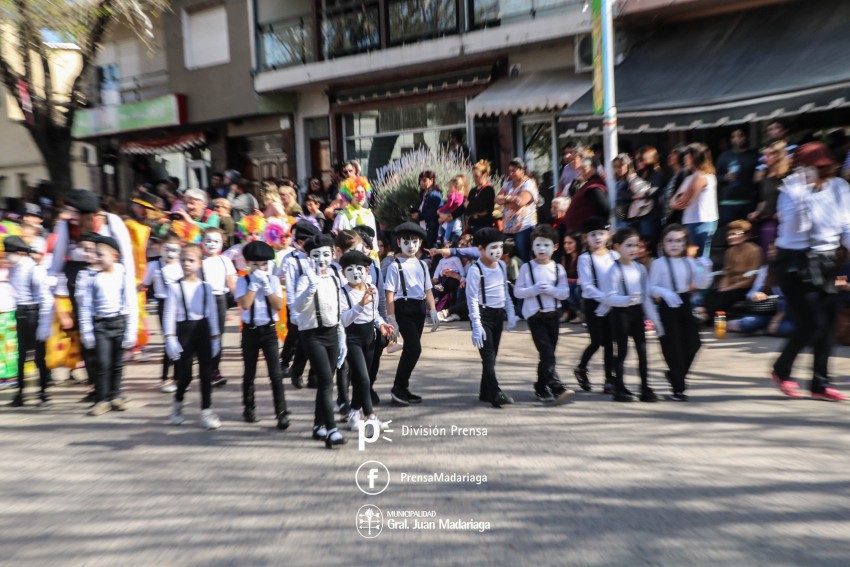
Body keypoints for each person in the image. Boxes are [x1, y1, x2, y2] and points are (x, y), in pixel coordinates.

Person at [770, 142, 850, 401]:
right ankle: (782, 369)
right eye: (807, 167)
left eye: (820, 168)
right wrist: (801, 197)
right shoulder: (789, 192)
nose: (813, 173)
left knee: (827, 323)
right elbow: (797, 231)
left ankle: (820, 383)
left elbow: (846, 226)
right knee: (811, 322)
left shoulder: (839, 188)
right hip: (795, 261)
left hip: (827, 260)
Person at [293, 234, 348, 448]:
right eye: (316, 255)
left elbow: (339, 306)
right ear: (309, 257)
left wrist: (342, 336)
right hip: (312, 334)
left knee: (327, 379)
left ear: (333, 254)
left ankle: (318, 425)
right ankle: (332, 429)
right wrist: (311, 287)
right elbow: (298, 308)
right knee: (326, 380)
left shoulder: (336, 276)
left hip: (333, 332)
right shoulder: (305, 278)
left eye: (326, 254)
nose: (322, 259)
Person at [649, 224, 713, 401]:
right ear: (663, 243)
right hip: (667, 306)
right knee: (673, 346)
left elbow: (700, 283)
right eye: (669, 241)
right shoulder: (658, 263)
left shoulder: (689, 262)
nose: (674, 244)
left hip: (684, 303)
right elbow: (651, 287)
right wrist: (664, 292)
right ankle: (678, 388)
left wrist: (704, 270)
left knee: (694, 343)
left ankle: (676, 376)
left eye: (679, 241)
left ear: (685, 243)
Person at [598, 228, 663, 403]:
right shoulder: (614, 270)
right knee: (623, 351)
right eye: (629, 245)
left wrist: (656, 321)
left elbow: (646, 296)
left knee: (643, 351)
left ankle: (645, 387)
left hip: (637, 313)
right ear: (618, 247)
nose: (633, 249)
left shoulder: (641, 268)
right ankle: (619, 387)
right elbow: (609, 297)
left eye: (636, 245)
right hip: (620, 314)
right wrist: (626, 300)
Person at [513, 225, 575, 404]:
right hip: (535, 316)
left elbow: (564, 294)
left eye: (546, 245)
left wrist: (552, 290)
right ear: (532, 246)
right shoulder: (527, 268)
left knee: (547, 355)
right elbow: (518, 292)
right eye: (538, 245)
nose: (541, 249)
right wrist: (533, 290)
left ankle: (540, 386)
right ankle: (557, 387)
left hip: (553, 316)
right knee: (547, 353)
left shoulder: (558, 269)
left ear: (555, 247)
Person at [77, 236, 138, 416]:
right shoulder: (93, 279)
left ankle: (115, 396)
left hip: (119, 322)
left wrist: (131, 330)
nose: (98, 258)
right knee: (102, 363)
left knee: (117, 363)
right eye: (96, 254)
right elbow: (86, 306)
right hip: (101, 325)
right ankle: (101, 399)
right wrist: (86, 331)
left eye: (101, 254)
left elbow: (131, 303)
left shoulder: (123, 276)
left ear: (115, 256)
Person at [164, 244, 222, 429]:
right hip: (184, 332)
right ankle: (178, 403)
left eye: (191, 260)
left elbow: (212, 313)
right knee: (185, 375)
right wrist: (170, 337)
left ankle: (206, 410)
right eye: (183, 260)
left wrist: (215, 338)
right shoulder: (175, 287)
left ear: (199, 263)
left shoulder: (206, 287)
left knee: (206, 374)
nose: (186, 264)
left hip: (203, 330)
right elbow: (169, 314)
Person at [384, 222, 441, 407]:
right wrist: (391, 319)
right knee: (414, 349)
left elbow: (428, 290)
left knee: (410, 349)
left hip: (419, 309)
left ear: (420, 243)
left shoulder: (422, 265)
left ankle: (402, 388)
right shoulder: (394, 266)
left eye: (414, 241)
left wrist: (433, 309)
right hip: (403, 308)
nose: (411, 245)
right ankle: (397, 388)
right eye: (406, 241)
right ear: (399, 242)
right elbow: (389, 294)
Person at [235, 241, 290, 430]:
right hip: (250, 331)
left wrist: (266, 287)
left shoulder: (273, 280)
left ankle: (281, 412)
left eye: (264, 265)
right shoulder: (243, 281)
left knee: (275, 373)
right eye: (256, 265)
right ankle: (249, 408)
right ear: (249, 264)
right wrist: (254, 286)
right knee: (249, 372)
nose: (260, 268)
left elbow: (278, 305)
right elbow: (246, 304)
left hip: (268, 331)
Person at [462, 228, 519, 408]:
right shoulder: (475, 270)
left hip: (498, 315)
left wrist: (511, 312)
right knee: (488, 356)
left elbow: (505, 291)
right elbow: (471, 299)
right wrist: (477, 325)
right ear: (480, 248)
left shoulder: (502, 265)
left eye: (500, 247)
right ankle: (495, 393)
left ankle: (484, 392)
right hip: (483, 315)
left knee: (492, 356)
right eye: (493, 247)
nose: (498, 252)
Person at [338, 249, 393, 431]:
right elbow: (344, 320)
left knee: (366, 378)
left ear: (367, 270)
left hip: (370, 338)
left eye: (360, 268)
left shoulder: (373, 289)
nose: (355, 273)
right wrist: (360, 305)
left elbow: (375, 313)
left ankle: (354, 412)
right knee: (362, 378)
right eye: (350, 269)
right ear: (343, 272)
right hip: (351, 339)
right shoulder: (342, 293)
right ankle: (370, 416)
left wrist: (382, 324)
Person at [4, 236, 52, 408]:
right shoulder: (15, 268)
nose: (7, 257)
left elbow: (45, 298)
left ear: (19, 252)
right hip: (21, 313)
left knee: (39, 357)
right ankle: (20, 394)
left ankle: (43, 393)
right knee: (21, 356)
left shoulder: (34, 269)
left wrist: (44, 324)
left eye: (9, 253)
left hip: (34, 313)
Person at [574, 217, 617, 394]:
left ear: (608, 235)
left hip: (612, 303)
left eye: (601, 233)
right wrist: (604, 298)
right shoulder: (585, 259)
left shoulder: (614, 255)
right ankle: (581, 368)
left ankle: (609, 379)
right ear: (586, 238)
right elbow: (587, 286)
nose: (597, 237)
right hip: (593, 303)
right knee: (597, 340)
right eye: (593, 234)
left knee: (609, 343)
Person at [139, 233, 183, 393]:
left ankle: (179, 377)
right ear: (160, 248)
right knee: (169, 341)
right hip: (164, 305)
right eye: (167, 249)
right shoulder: (154, 266)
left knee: (180, 341)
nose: (170, 254)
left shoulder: (182, 265)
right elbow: (143, 284)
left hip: (180, 304)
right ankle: (165, 378)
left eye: (174, 250)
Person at [278, 221, 320, 389]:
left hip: (316, 305)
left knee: (316, 341)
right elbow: (289, 286)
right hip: (298, 306)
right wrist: (294, 312)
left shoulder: (315, 256)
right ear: (301, 242)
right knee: (299, 340)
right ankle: (294, 368)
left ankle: (314, 376)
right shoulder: (292, 260)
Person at [704, 219, 762, 323]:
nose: (731, 237)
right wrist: (723, 286)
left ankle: (710, 319)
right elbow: (727, 273)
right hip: (731, 284)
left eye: (736, 233)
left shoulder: (754, 250)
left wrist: (729, 288)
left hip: (745, 286)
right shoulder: (729, 252)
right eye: (730, 234)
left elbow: (752, 278)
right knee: (712, 294)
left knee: (726, 296)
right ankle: (708, 317)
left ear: (745, 236)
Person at [201, 228, 237, 387]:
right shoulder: (199, 260)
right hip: (202, 299)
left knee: (217, 336)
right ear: (202, 243)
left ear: (222, 243)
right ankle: (204, 368)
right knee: (204, 336)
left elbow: (231, 282)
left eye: (215, 241)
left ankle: (214, 370)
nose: (211, 244)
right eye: (207, 240)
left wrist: (241, 300)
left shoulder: (225, 260)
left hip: (219, 299)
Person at [671, 143, 718, 259]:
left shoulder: (702, 176)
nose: (685, 157)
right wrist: (676, 201)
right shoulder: (689, 177)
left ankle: (703, 276)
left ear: (695, 157)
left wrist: (677, 201)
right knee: (693, 257)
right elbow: (672, 202)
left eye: (688, 155)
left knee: (699, 259)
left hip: (700, 222)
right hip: (692, 221)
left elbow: (683, 201)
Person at [748, 141, 789, 255]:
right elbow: (763, 199)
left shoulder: (786, 176)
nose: (764, 158)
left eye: (768, 154)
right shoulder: (765, 176)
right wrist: (757, 212)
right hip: (767, 220)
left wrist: (781, 212)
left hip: (782, 223)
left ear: (777, 156)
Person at [495, 158, 538, 262]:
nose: (511, 173)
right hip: (508, 227)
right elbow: (497, 199)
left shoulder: (529, 184)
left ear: (522, 170)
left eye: (514, 170)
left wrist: (505, 201)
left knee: (523, 255)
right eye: (509, 171)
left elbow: (520, 203)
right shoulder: (508, 184)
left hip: (524, 227)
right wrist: (511, 198)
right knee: (508, 255)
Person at [716, 128, 760, 228]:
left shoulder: (754, 156)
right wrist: (724, 177)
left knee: (748, 233)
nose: (737, 139)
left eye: (740, 136)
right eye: (733, 137)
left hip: (748, 202)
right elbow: (714, 177)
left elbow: (760, 176)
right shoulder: (724, 156)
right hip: (728, 203)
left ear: (747, 137)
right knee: (731, 235)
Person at [563, 157, 608, 232]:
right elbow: (572, 192)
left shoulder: (594, 186)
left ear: (593, 169)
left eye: (584, 169)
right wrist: (577, 180)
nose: (581, 172)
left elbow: (604, 209)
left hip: (586, 230)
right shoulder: (587, 184)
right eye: (580, 169)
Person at [332, 176, 377, 250]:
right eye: (356, 192)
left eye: (362, 192)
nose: (360, 196)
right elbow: (336, 239)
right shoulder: (342, 216)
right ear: (349, 195)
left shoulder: (369, 214)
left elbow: (374, 241)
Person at [413, 171, 442, 249]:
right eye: (420, 180)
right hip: (423, 227)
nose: (422, 182)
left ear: (432, 180)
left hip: (431, 229)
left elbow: (433, 213)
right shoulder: (423, 194)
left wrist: (419, 216)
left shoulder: (434, 195)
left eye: (424, 180)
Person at [436, 175, 467, 247]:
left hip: (457, 230)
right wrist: (441, 217)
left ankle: (443, 238)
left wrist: (440, 212)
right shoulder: (457, 197)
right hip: (448, 227)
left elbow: (449, 211)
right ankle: (442, 238)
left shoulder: (464, 200)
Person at [466, 161, 495, 234]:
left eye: (476, 176)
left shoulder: (488, 190)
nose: (474, 179)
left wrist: (469, 206)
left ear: (485, 175)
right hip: (472, 226)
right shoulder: (473, 191)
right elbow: (468, 210)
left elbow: (481, 207)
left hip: (483, 227)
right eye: (473, 176)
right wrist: (476, 212)